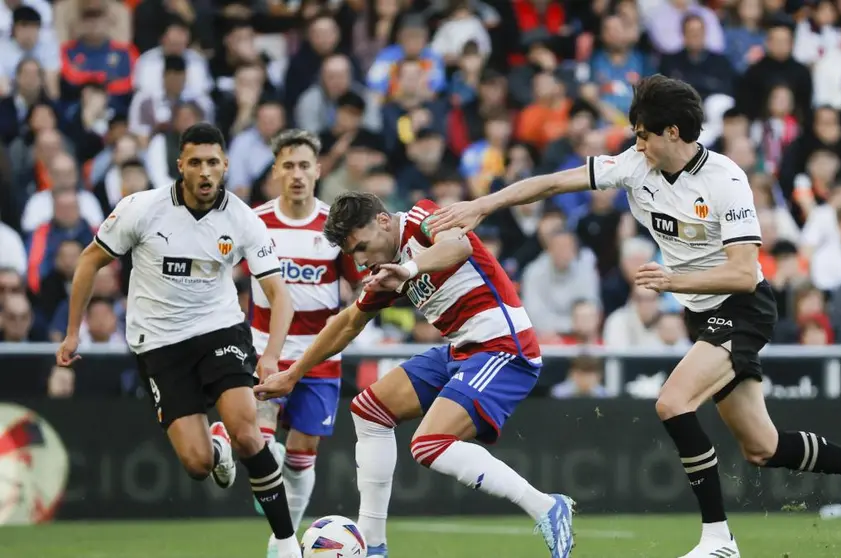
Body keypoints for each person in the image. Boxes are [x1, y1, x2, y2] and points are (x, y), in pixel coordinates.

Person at [429, 74, 841, 558]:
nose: (635, 145)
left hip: (743, 309)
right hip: (700, 313)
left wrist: (673, 280)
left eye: (642, 134)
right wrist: (484, 204)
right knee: (762, 447)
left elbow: (745, 274)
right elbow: (556, 182)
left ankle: (718, 540)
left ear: (671, 133)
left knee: (672, 402)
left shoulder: (726, 181)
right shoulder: (635, 166)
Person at [254, 192, 575, 558]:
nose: (360, 263)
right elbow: (347, 324)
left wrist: (408, 270)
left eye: (362, 247)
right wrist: (293, 374)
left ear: (384, 221)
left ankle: (545, 506)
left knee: (429, 444)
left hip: (504, 346)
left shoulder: (422, 218)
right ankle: (373, 545)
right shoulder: (384, 270)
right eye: (352, 255)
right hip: (463, 350)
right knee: (369, 410)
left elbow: (458, 246)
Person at [55, 123, 303, 558]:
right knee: (197, 464)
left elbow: (281, 296)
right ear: (180, 167)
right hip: (159, 345)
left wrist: (271, 356)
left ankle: (286, 542)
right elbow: (89, 262)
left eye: (213, 162)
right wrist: (74, 331)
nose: (205, 172)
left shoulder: (242, 218)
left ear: (225, 166)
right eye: (195, 162)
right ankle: (216, 444)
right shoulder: (142, 209)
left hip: (219, 330)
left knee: (250, 433)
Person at [248, 129, 363, 557]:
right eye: (288, 165)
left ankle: (283, 541)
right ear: (277, 170)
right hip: (264, 352)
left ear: (318, 170)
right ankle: (282, 536)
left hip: (319, 357)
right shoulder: (254, 221)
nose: (296, 174)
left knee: (301, 456)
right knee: (257, 446)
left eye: (304, 165)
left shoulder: (334, 227)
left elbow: (359, 283)